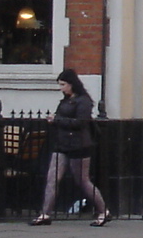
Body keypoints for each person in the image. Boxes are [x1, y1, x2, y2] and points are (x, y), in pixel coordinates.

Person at [35, 67, 111, 225]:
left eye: (63, 84)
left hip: (79, 145)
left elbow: (80, 123)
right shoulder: (65, 100)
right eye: (60, 84)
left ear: (71, 84)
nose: (61, 88)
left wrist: (57, 120)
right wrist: (55, 119)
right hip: (62, 144)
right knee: (52, 178)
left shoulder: (83, 101)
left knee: (83, 181)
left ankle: (103, 211)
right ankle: (45, 214)